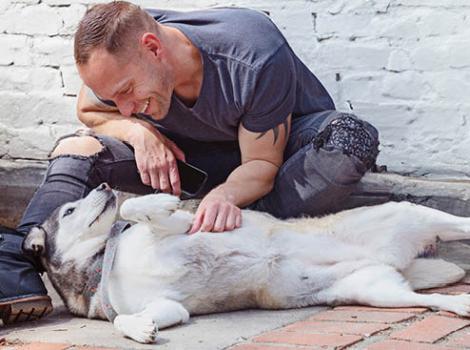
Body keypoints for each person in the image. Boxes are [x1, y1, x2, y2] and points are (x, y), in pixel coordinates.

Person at [0, 1, 379, 323]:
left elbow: (261, 165)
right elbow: (88, 108)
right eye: (115, 98)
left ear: (153, 47)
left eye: (128, 91)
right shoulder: (114, 49)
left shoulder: (252, 50)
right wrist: (138, 133)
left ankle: (232, 230)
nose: (125, 107)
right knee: (75, 147)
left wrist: (226, 196)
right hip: (182, 173)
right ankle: (12, 266)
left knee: (352, 138)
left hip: (273, 165)